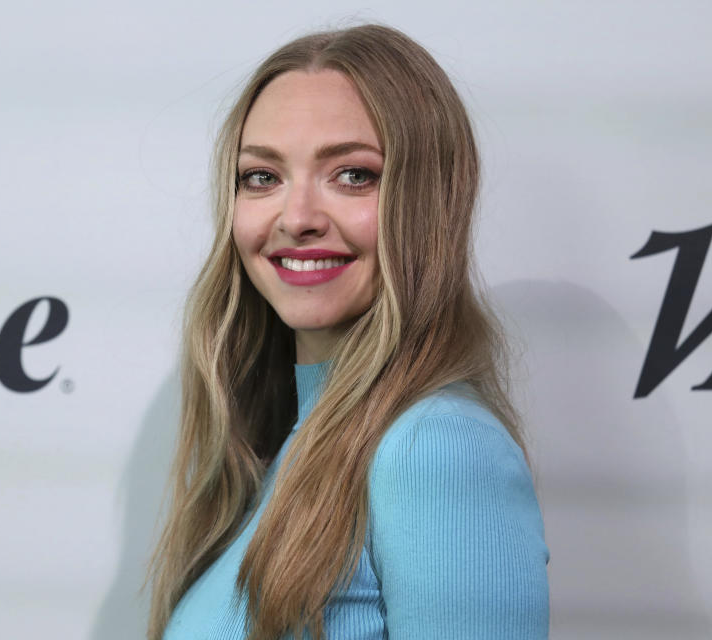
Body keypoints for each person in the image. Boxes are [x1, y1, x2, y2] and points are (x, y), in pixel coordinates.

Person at [146, 23, 549, 640]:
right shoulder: (277, 442)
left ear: (430, 201)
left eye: (353, 175)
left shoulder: (438, 447)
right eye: (262, 177)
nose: (297, 218)